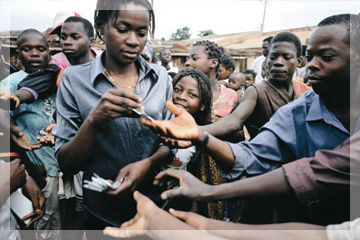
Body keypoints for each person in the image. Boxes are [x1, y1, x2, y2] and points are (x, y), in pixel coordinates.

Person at [141, 13, 357, 220]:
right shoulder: (290, 110)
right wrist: (200, 135)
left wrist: (211, 190)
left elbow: (320, 171)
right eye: (310, 57)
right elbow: (250, 152)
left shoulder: (300, 92)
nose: (312, 65)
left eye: (326, 57)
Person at [53, 0, 173, 235]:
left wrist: (147, 163)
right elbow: (66, 162)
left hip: (155, 206)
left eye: (142, 32)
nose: (133, 41)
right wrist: (94, 120)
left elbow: (171, 143)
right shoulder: (73, 79)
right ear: (101, 26)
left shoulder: (160, 77)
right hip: (101, 212)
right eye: (122, 29)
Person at [0, 29, 65, 240]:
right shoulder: (12, 82)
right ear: (18, 55)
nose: (35, 54)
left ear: (49, 53)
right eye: (27, 50)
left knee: (65, 218)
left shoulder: (56, 79)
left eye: (41, 49)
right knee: (45, 221)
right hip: (38, 168)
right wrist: (14, 130)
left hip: (63, 163)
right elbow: (2, 112)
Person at [202, 32, 310, 141]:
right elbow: (234, 121)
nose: (278, 62)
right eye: (273, 57)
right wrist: (196, 130)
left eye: (287, 57)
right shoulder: (256, 92)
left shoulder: (306, 92)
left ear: (299, 61)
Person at [185, 40, 239, 123]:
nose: (187, 63)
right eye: (187, 58)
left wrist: (220, 123)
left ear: (213, 63)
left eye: (195, 58)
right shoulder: (182, 95)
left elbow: (239, 133)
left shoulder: (231, 96)